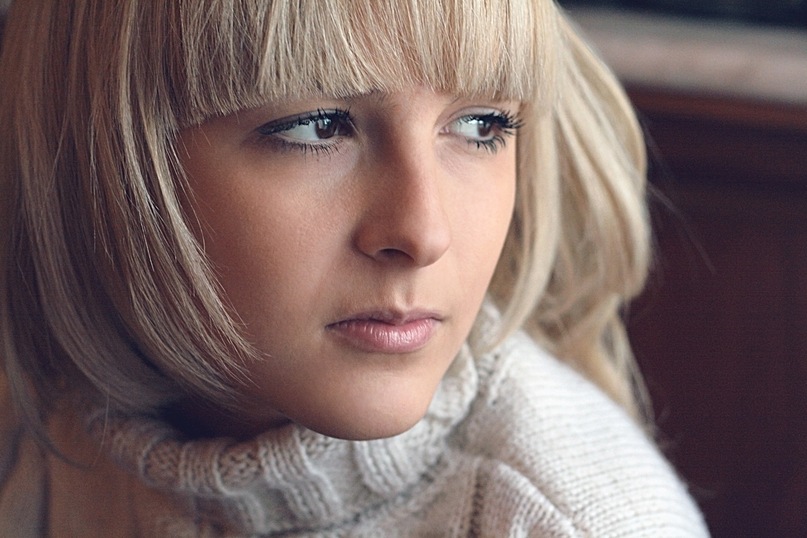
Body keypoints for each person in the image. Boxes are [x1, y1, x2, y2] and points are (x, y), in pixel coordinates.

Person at [0, 0, 708, 535]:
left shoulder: (584, 519)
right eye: (318, 126)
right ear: (96, 153)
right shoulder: (37, 441)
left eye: (481, 124)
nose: (423, 233)